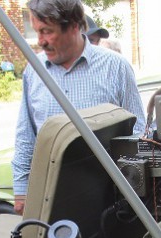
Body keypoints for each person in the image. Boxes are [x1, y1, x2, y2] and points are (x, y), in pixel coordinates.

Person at [12, 0, 146, 215]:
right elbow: (26, 136)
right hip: (51, 199)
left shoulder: (115, 67)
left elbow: (138, 130)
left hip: (107, 200)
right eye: (37, 32)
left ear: (74, 25)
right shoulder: (34, 71)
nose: (40, 42)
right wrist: (21, 191)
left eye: (47, 32)